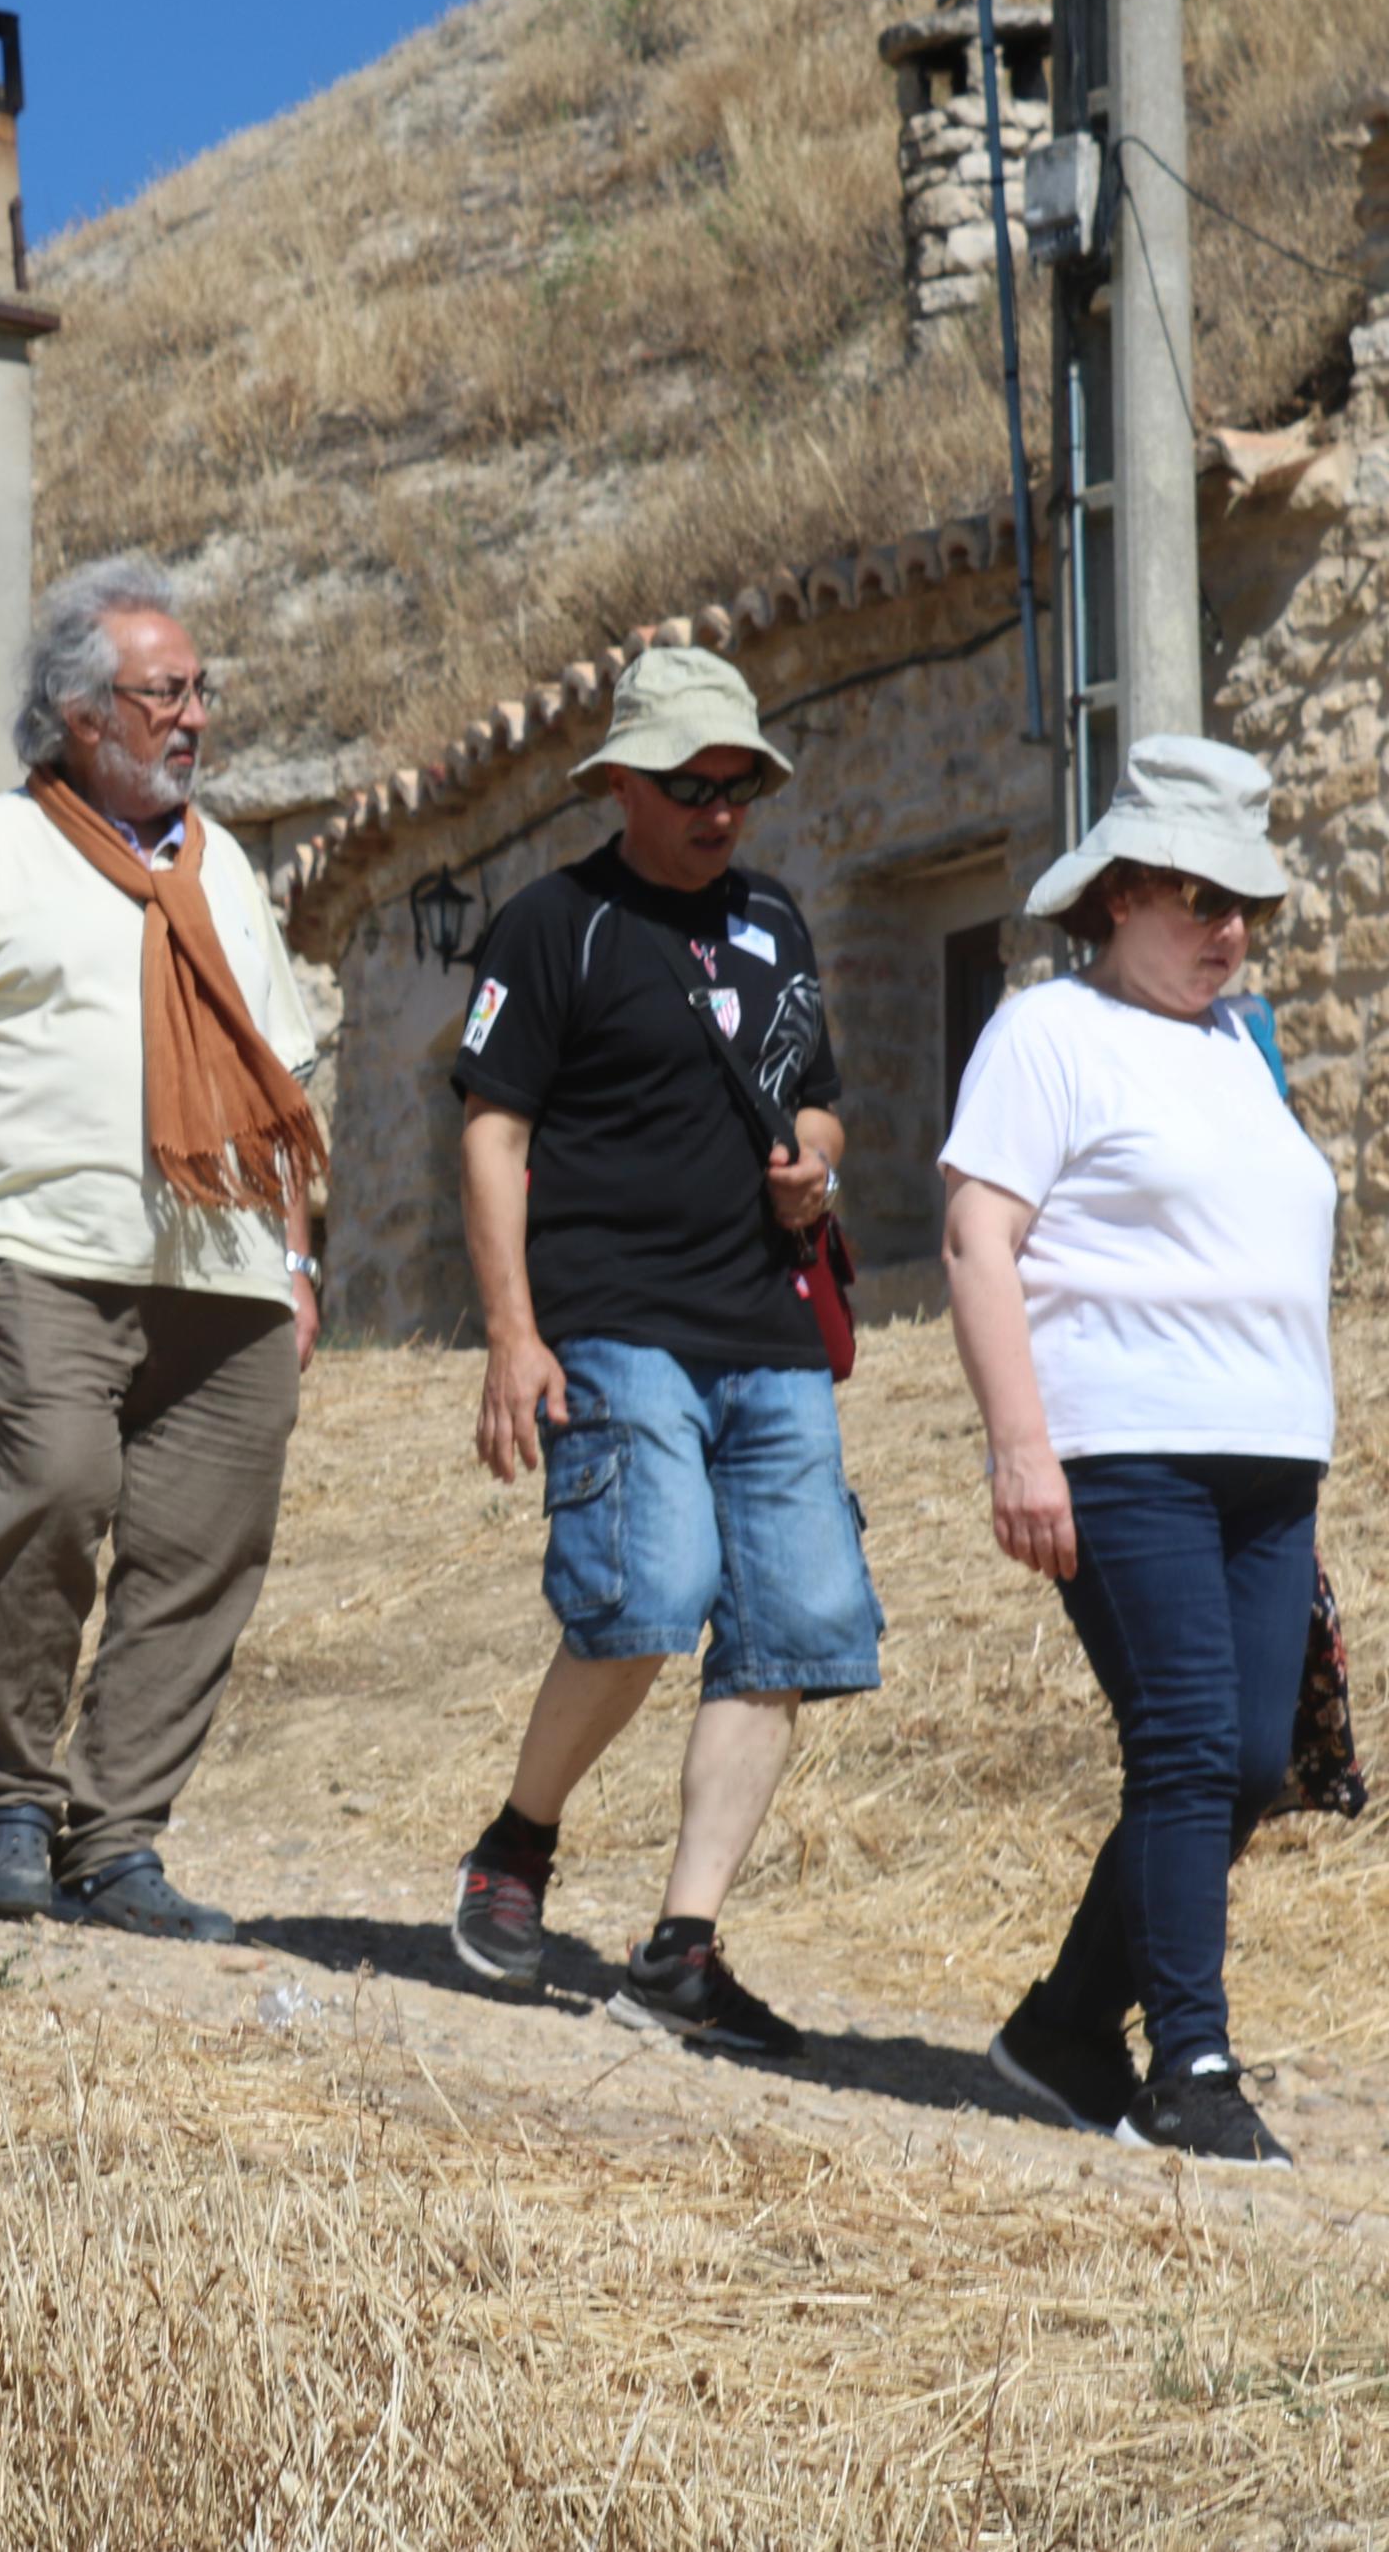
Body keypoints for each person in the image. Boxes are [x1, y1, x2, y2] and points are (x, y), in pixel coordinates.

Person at [0, 553, 324, 1943]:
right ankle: (11, 1799)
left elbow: (276, 1079)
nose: (194, 717)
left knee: (202, 1546)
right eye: (161, 693)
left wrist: (294, 1262)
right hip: (38, 1243)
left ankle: (116, 1839)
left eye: (198, 689)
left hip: (225, 1268)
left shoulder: (223, 868)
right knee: (55, 1486)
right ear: (78, 713)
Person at [444, 646, 881, 2061]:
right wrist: (511, 1334)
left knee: (792, 1624)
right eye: (690, 784)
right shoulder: (549, 927)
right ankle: (516, 1844)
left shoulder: (776, 920)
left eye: (739, 783)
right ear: (621, 784)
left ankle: (682, 1948)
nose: (718, 809)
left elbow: (819, 1104)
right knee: (644, 1593)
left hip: (768, 1333)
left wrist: (812, 1165)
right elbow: (491, 1133)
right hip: (615, 1320)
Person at [937, 734, 1331, 2168]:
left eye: (1247, 906)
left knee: (1249, 1761)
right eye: (1198, 899)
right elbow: (976, 1237)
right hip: (1124, 1450)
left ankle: (1058, 2028)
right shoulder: (1045, 1033)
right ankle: (1189, 2064)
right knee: (1181, 1743)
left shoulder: (1238, 1046)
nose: (1228, 932)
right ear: (1116, 893)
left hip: (1267, 1459)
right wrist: (1018, 1449)